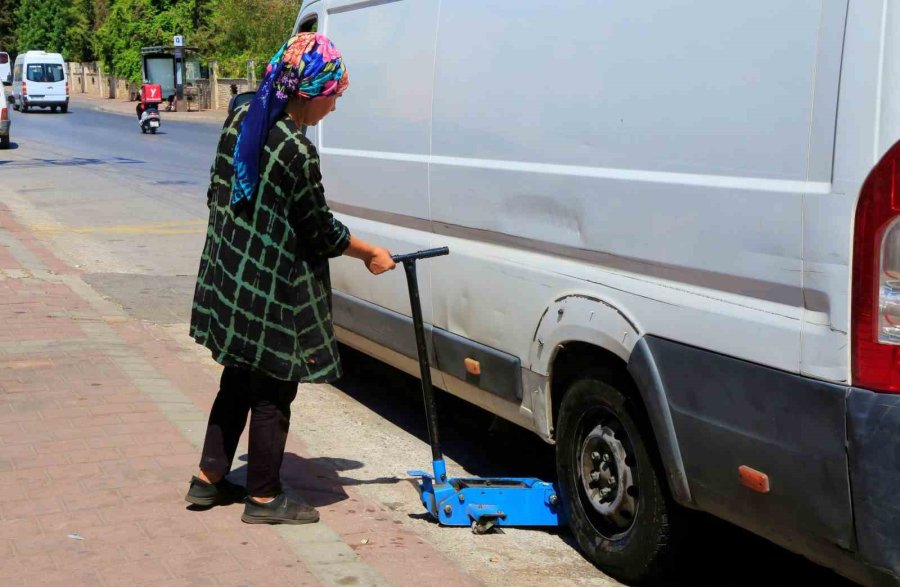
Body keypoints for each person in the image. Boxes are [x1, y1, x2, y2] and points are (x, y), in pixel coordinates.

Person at [185, 32, 395, 525]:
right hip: (269, 288)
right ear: (310, 92)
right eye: (334, 96)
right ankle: (262, 496)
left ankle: (208, 480)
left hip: (229, 273)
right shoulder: (296, 150)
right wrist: (369, 254)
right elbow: (320, 231)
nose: (334, 108)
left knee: (236, 377)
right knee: (273, 389)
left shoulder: (241, 113)